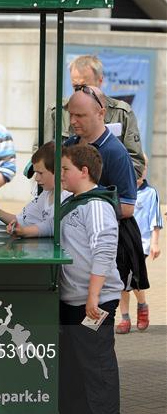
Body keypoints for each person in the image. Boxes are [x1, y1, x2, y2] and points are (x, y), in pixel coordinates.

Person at [32, 144, 124, 414]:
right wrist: (21, 229)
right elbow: (49, 227)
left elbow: (104, 249)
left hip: (94, 301)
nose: (62, 175)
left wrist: (93, 297)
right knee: (74, 363)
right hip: (75, 299)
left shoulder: (96, 205)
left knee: (97, 365)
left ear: (84, 172)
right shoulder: (73, 202)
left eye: (66, 169)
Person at [64, 85, 149, 296]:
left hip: (102, 252)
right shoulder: (69, 144)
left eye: (80, 116)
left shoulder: (115, 152)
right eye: (71, 114)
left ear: (101, 113)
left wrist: (89, 205)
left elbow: (128, 207)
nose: (73, 121)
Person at [45, 54, 144, 179]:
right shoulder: (57, 112)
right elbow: (42, 158)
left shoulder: (121, 113)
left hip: (107, 192)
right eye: (76, 87)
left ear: (100, 81)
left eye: (85, 87)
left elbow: (136, 163)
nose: (80, 92)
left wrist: (101, 185)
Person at [0, 141, 70, 237]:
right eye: (35, 173)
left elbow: (51, 227)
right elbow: (23, 220)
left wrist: (25, 231)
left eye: (40, 173)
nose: (36, 178)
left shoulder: (68, 198)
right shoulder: (46, 195)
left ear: (59, 171)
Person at [116, 153, 163, 334]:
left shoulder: (151, 193)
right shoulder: (122, 191)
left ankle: (142, 306)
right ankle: (125, 318)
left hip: (140, 244)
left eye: (143, 168)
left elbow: (155, 220)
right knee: (121, 279)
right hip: (122, 240)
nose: (139, 172)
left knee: (133, 278)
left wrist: (155, 243)